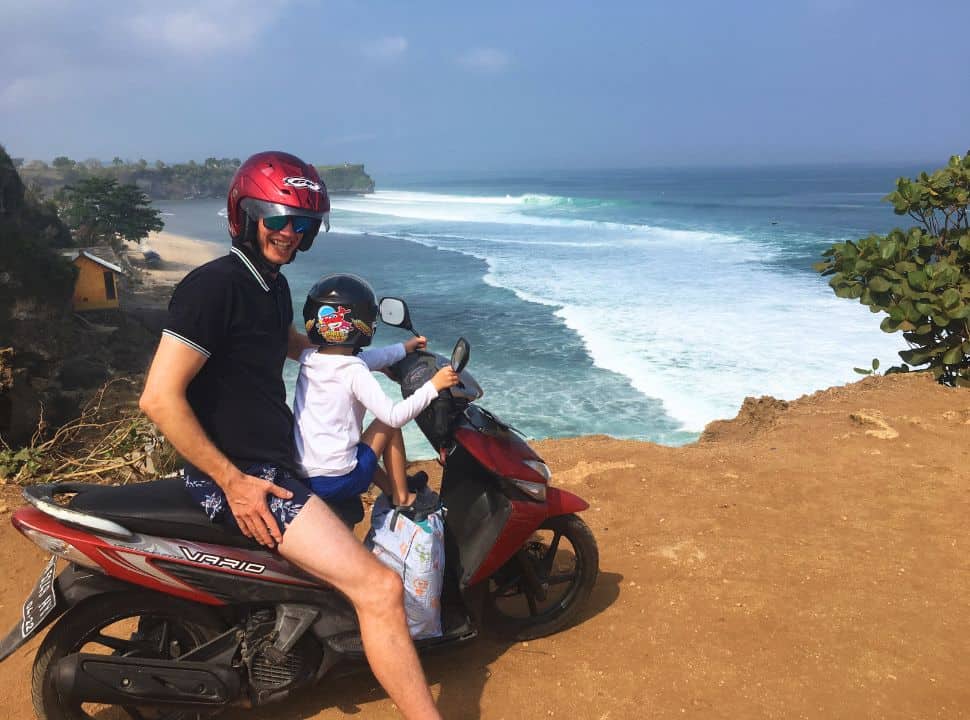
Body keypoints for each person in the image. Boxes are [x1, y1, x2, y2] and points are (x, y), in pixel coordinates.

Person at [139, 151, 443, 719]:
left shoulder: (268, 286)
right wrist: (234, 482)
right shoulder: (214, 287)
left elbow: (286, 343)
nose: (288, 232)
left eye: (301, 224)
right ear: (244, 215)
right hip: (246, 476)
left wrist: (360, 360)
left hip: (271, 461)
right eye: (276, 218)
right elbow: (158, 398)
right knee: (379, 590)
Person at [294, 274, 459, 510]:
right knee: (387, 421)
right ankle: (403, 498)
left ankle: (392, 487)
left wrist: (404, 347)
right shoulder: (353, 371)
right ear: (361, 322)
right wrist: (434, 385)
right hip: (339, 481)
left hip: (309, 475)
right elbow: (395, 416)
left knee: (357, 439)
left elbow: (369, 358)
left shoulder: (309, 359)